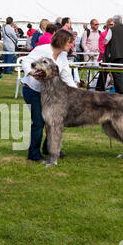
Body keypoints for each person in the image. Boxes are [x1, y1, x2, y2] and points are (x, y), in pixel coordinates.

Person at [21, 30, 77, 162]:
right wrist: (31, 73)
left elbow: (66, 76)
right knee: (39, 122)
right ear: (62, 41)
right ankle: (33, 154)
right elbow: (26, 61)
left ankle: (48, 147)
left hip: (49, 94)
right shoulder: (42, 49)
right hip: (32, 90)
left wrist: (78, 94)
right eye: (70, 42)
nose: (71, 45)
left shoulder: (62, 56)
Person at [103, 14, 123, 95]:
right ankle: (120, 93)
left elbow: (106, 41)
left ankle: (122, 93)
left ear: (114, 22)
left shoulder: (112, 29)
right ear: (121, 21)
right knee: (121, 74)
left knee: (117, 75)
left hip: (116, 55)